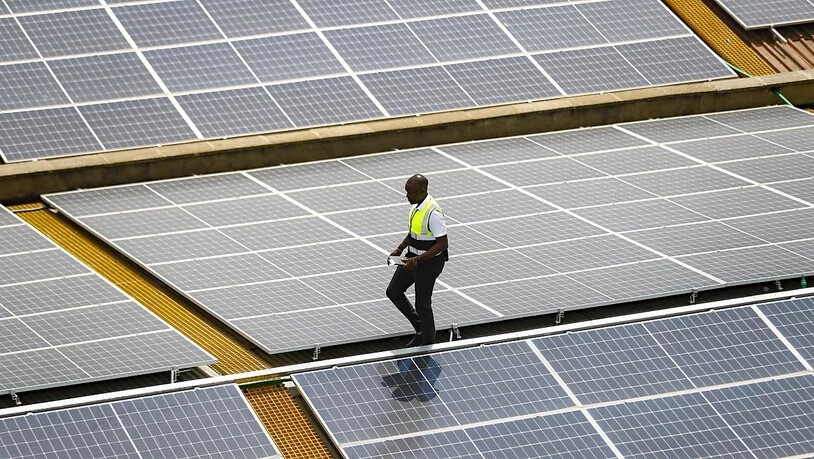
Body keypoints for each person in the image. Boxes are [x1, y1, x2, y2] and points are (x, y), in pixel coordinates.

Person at [386, 174, 449, 347]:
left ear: (422, 191)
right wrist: (400, 248)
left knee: (422, 304)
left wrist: (418, 259)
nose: (407, 196)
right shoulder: (416, 206)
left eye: (410, 193)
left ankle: (427, 342)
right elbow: (414, 233)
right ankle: (421, 329)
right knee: (393, 291)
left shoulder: (433, 213)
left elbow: (443, 244)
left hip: (428, 264)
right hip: (411, 258)